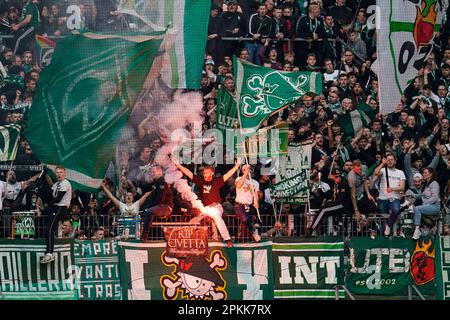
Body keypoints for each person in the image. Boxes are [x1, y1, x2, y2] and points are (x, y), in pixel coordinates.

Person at [173, 158, 242, 247]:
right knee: (195, 220)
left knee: (217, 217)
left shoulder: (216, 181)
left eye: (207, 173)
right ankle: (182, 236)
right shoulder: (200, 181)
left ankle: (227, 239)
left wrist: (236, 166)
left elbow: (228, 174)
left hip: (216, 207)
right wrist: (178, 165)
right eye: (204, 173)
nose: (205, 174)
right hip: (206, 208)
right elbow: (188, 173)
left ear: (212, 173)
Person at [40, 166, 72, 264]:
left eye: (61, 172)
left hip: (61, 207)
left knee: (49, 228)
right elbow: (51, 187)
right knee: (48, 225)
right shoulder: (57, 183)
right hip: (55, 207)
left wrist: (46, 205)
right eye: (57, 172)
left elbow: (58, 198)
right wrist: (45, 174)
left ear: (65, 173)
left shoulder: (65, 183)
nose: (59, 174)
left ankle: (50, 253)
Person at [309, 168, 352, 233]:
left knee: (324, 209)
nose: (338, 178)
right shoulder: (334, 184)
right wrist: (320, 191)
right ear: (332, 176)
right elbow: (328, 195)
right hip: (336, 204)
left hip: (342, 205)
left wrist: (331, 203)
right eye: (336, 176)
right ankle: (313, 227)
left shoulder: (344, 183)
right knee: (322, 208)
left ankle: (312, 228)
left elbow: (341, 199)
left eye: (339, 176)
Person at [373, 154, 406, 236]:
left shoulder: (400, 172)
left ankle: (389, 226)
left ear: (395, 161)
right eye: (388, 160)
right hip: (382, 198)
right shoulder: (383, 170)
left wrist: (392, 189)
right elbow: (376, 173)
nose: (390, 161)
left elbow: (402, 187)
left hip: (394, 197)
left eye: (391, 159)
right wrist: (382, 163)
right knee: (382, 219)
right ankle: (382, 238)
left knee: (396, 210)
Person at [141, 165, 174, 240]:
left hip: (166, 207)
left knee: (149, 211)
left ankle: (144, 234)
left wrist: (149, 208)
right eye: (151, 172)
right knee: (146, 211)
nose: (151, 173)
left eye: (153, 172)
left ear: (160, 172)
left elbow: (160, 199)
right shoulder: (155, 183)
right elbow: (144, 186)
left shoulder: (162, 183)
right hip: (161, 206)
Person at [412, 167, 441, 240]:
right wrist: (411, 196)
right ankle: (418, 230)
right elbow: (422, 195)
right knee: (415, 209)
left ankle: (417, 230)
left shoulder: (434, 183)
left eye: (425, 173)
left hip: (435, 206)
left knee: (417, 208)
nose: (423, 174)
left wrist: (424, 204)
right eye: (423, 173)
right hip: (429, 205)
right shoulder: (426, 184)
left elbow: (434, 198)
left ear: (431, 174)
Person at [234, 164, 261, 242]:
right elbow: (238, 186)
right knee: (245, 219)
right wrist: (245, 174)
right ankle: (254, 232)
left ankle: (241, 238)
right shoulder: (238, 178)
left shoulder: (255, 183)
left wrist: (256, 202)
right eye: (245, 169)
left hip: (248, 205)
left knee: (245, 223)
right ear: (242, 171)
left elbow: (256, 194)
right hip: (239, 204)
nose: (248, 170)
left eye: (249, 169)